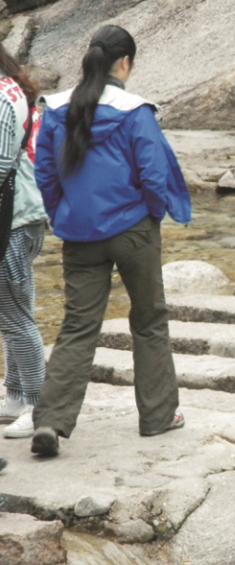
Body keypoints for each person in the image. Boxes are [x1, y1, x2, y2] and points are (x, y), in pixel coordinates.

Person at [31, 25, 191, 457]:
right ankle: (158, 416)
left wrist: (63, 213)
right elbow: (154, 174)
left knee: (78, 325)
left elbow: (44, 173)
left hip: (79, 233)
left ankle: (50, 421)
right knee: (149, 320)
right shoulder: (135, 111)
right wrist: (152, 213)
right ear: (124, 63)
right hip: (134, 229)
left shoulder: (56, 108)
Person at [0, 44, 48, 439]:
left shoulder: (2, 98)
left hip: (12, 220)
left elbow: (0, 164)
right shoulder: (12, 89)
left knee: (16, 318)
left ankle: (38, 403)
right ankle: (16, 394)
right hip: (25, 214)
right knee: (13, 310)